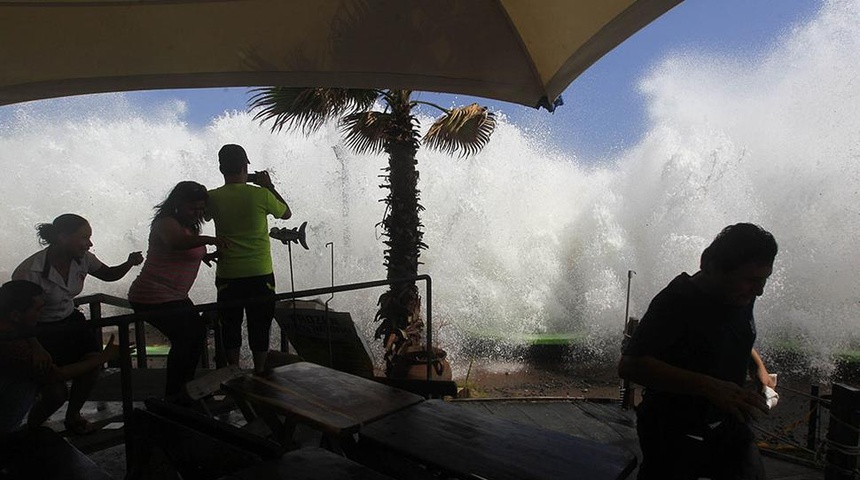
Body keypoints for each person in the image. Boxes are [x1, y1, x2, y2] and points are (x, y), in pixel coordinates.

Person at [618, 223, 778, 480]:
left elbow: (732, 334)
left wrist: (759, 370)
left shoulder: (740, 294)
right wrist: (709, 387)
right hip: (673, 429)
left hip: (729, 423)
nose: (759, 290)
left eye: (764, 280)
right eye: (751, 280)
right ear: (710, 266)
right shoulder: (677, 301)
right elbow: (631, 365)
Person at [11, 214, 143, 434]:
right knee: (55, 391)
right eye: (84, 237)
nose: (89, 243)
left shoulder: (83, 258)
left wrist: (129, 263)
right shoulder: (29, 272)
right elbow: (17, 317)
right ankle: (31, 429)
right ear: (63, 237)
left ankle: (73, 416)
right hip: (39, 330)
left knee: (91, 365)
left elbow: (108, 274)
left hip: (71, 322)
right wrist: (35, 346)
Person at [0, 280, 117, 479]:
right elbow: (57, 374)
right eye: (37, 309)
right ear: (16, 315)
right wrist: (104, 358)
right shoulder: (14, 347)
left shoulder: (12, 329)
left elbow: (24, 329)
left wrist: (36, 344)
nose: (42, 313)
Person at [128, 181, 226, 400]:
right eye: (193, 208)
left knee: (196, 334)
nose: (197, 213)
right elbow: (176, 243)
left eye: (201, 209)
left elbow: (186, 248)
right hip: (150, 296)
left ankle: (185, 389)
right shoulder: (165, 223)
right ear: (178, 204)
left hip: (175, 296)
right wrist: (211, 240)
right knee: (186, 336)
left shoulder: (190, 226)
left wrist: (205, 256)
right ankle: (175, 394)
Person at [206, 144, 291, 373]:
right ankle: (260, 371)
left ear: (221, 168)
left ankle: (234, 370)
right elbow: (286, 213)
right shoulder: (261, 194)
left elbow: (202, 216)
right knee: (260, 324)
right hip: (260, 273)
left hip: (228, 274)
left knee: (230, 325)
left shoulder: (212, 197)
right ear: (245, 167)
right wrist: (269, 186)